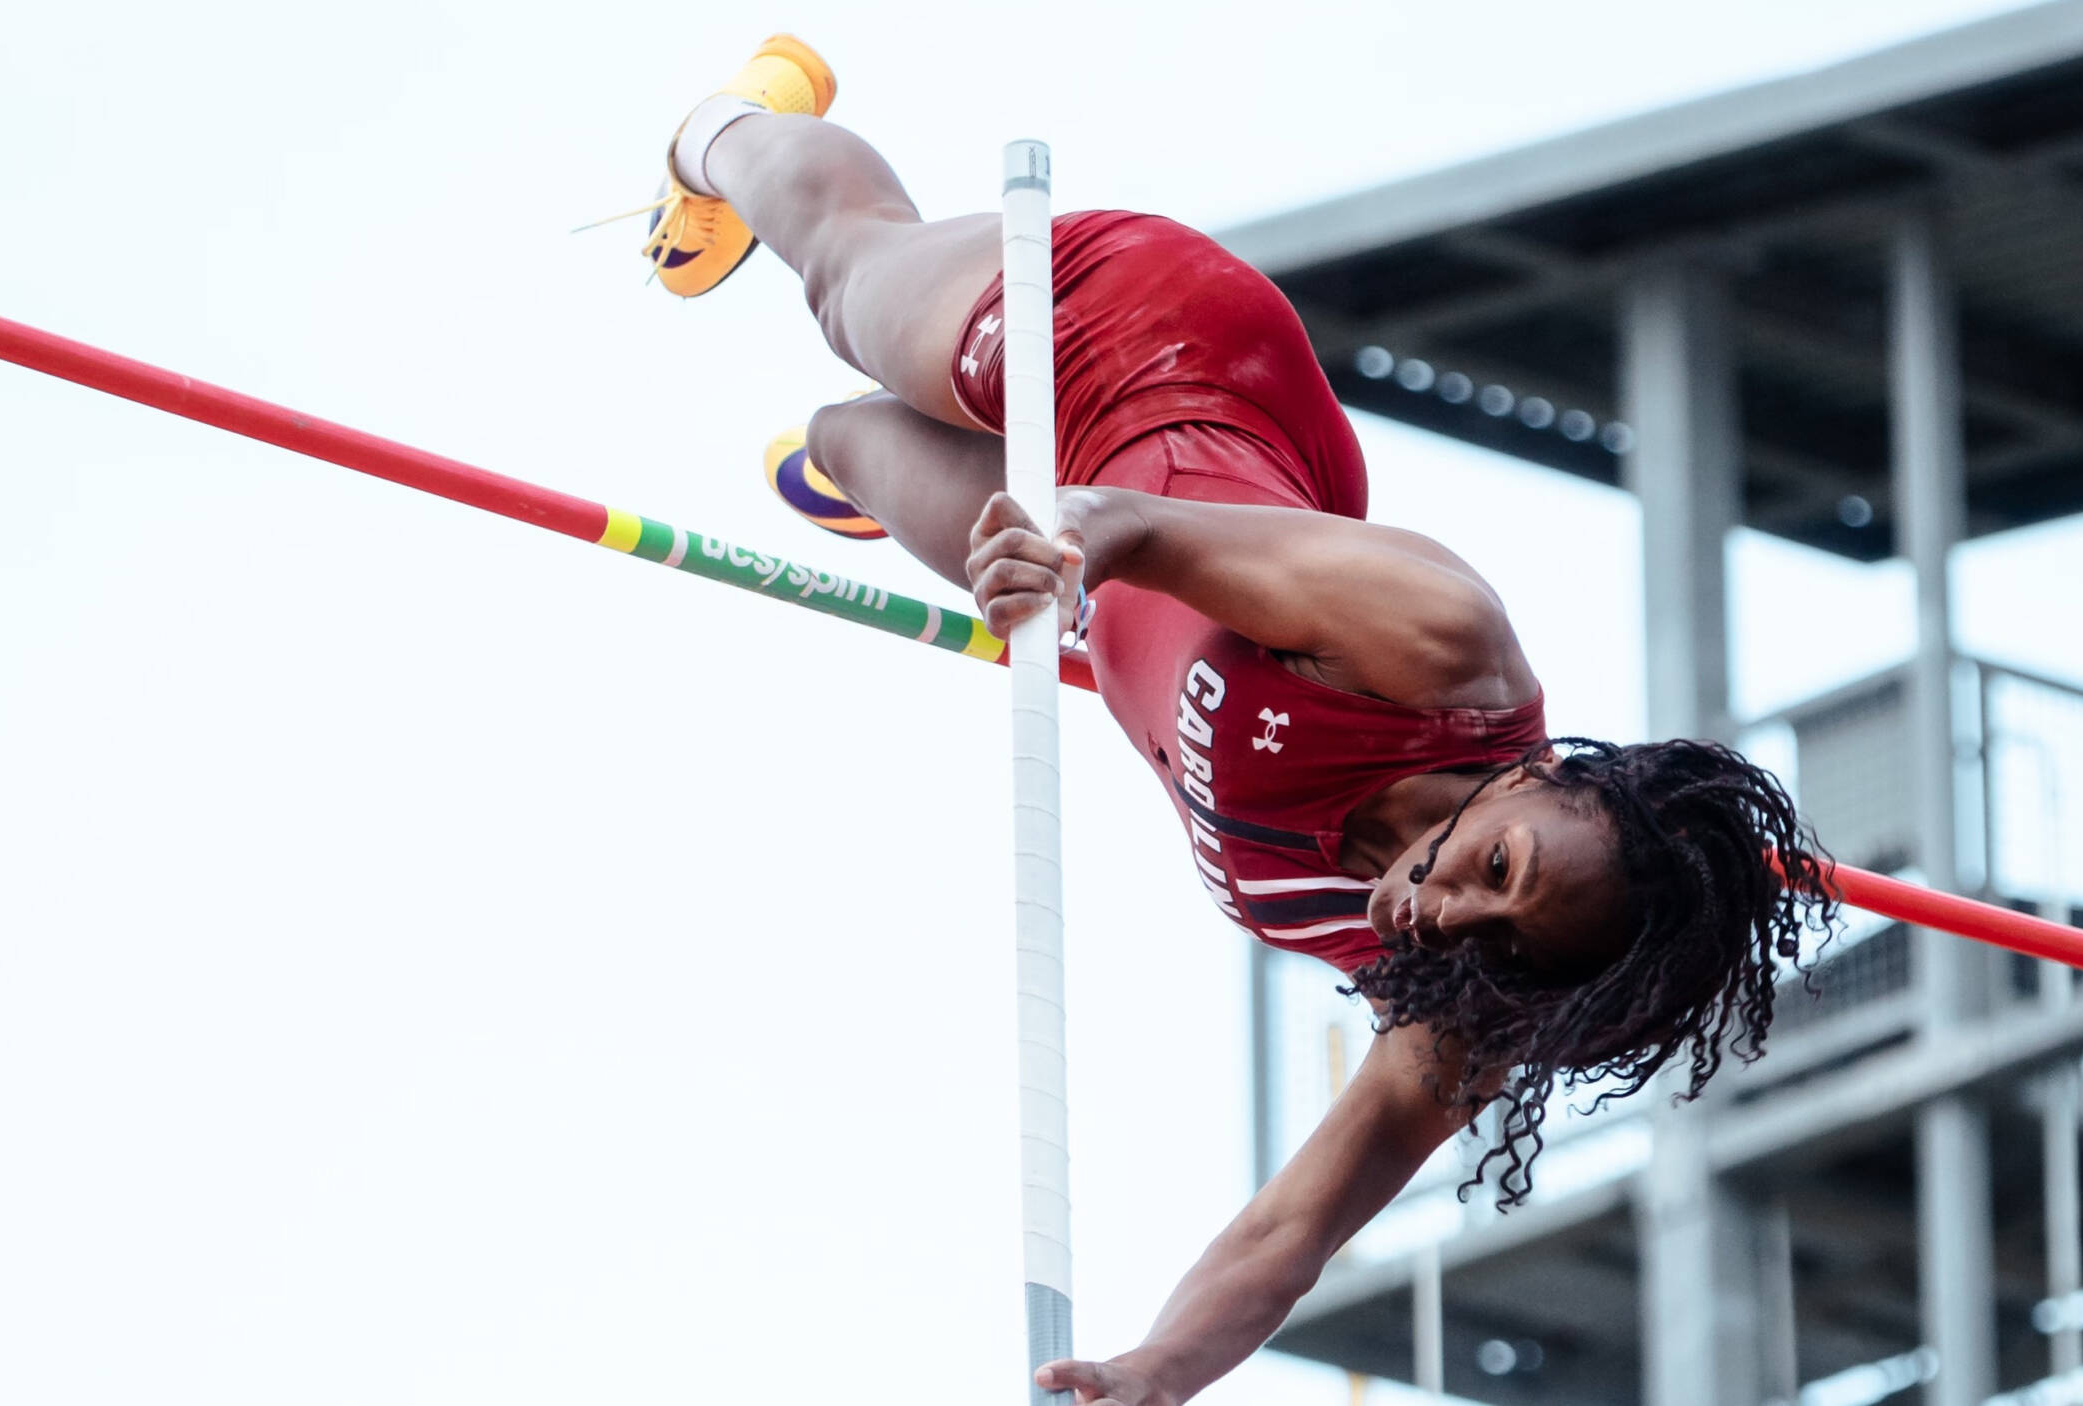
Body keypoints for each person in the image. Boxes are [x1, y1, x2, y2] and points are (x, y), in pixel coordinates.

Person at [624, 36, 1837, 1404]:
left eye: (1498, 942)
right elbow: (1137, 521)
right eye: (1497, 870)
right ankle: (726, 129)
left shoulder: (1472, 1001)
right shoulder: (1436, 645)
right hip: (1138, 358)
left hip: (1088, 573)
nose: (1443, 913)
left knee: (846, 433)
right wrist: (1068, 534)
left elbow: (1288, 1233)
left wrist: (1157, 1374)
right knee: (849, 279)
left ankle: (864, 458)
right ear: (1549, 774)